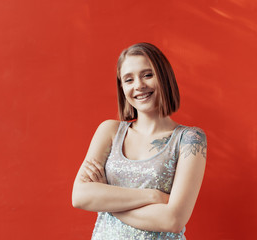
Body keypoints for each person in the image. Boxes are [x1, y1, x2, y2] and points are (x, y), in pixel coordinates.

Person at [72, 42, 207, 239]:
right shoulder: (109, 131)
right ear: (122, 87)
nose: (139, 86)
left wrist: (105, 200)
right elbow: (79, 196)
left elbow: (173, 220)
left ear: (164, 77)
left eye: (147, 75)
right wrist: (153, 196)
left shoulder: (190, 139)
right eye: (128, 79)